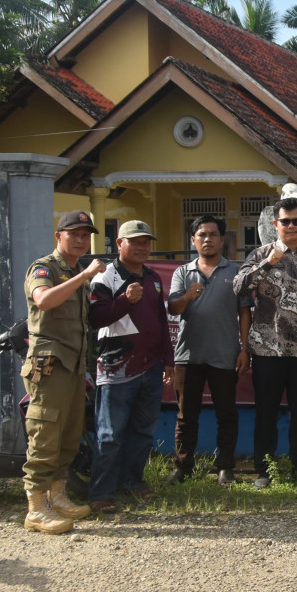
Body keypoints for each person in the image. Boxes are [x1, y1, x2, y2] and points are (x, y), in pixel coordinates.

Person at [233, 197, 297, 489]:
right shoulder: (259, 254)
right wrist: (268, 262)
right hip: (267, 349)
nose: (291, 226)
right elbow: (239, 287)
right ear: (275, 224)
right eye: (285, 221)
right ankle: (264, 469)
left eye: (296, 221)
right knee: (266, 411)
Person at [20, 210, 106, 534]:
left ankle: (57, 496)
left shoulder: (76, 271)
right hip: (49, 364)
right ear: (59, 237)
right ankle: (36, 508)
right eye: (75, 234)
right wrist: (84, 277)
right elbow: (43, 300)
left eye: (86, 235)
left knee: (68, 436)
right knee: (45, 434)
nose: (82, 240)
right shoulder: (45, 268)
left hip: (72, 366)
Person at [89, 220, 174, 513]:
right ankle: (101, 492)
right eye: (135, 241)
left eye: (146, 242)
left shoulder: (152, 277)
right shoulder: (106, 277)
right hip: (117, 368)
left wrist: (168, 360)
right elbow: (96, 318)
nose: (142, 247)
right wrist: (124, 301)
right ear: (119, 244)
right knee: (110, 434)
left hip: (151, 367)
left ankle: (132, 482)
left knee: (143, 431)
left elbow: (161, 322)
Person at [167, 215, 253, 487]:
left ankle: (225, 467)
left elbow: (244, 312)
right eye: (201, 234)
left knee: (226, 413)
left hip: (225, 355)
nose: (207, 239)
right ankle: (183, 466)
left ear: (222, 238)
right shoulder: (182, 272)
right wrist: (188, 296)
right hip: (188, 355)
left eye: (213, 234)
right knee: (185, 414)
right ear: (193, 240)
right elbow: (173, 309)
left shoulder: (235, 271)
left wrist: (244, 349)